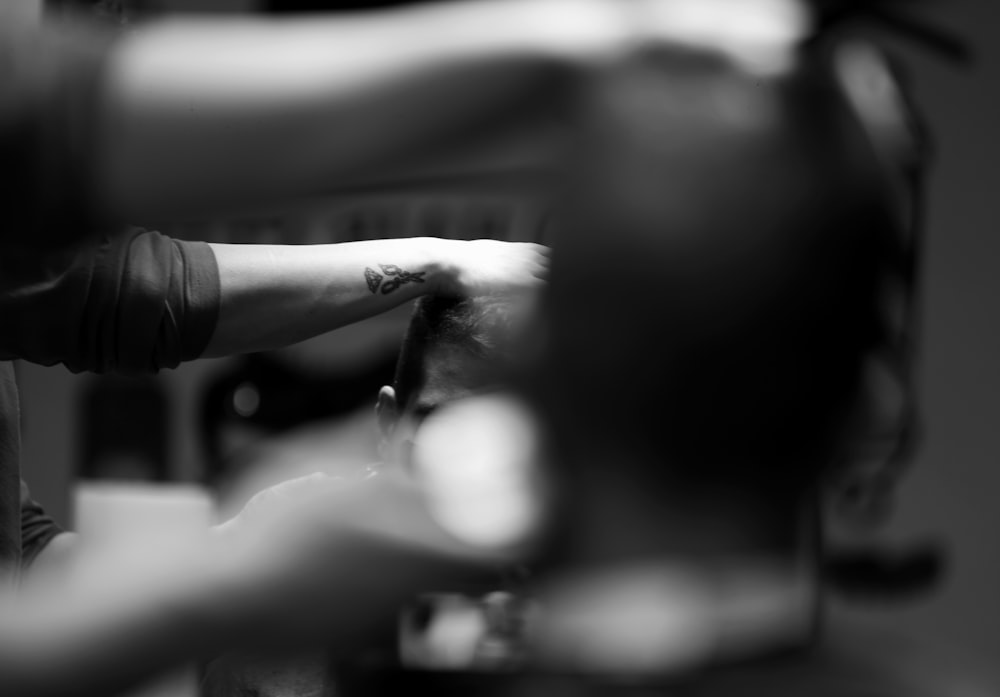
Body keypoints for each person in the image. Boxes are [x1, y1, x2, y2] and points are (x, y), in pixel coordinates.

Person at [201, 294, 532, 697]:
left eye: (509, 431)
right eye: (443, 424)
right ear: (389, 423)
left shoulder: (589, 552)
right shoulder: (299, 524)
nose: (476, 460)